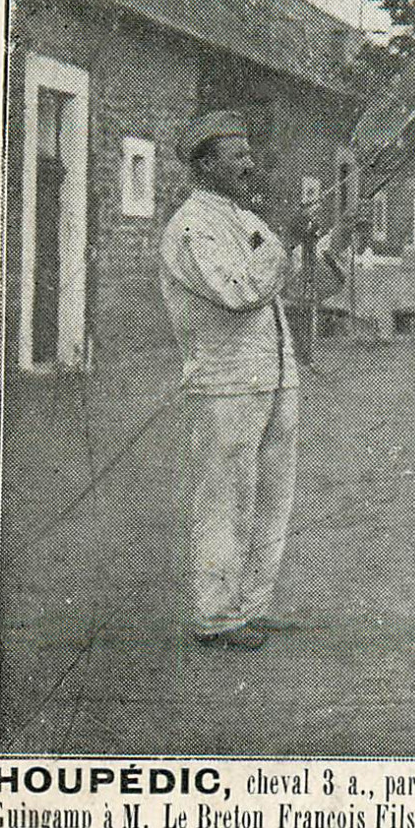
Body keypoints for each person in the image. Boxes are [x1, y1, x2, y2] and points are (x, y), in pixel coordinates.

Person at [160, 110, 311, 649]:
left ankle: (250, 603)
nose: (249, 163)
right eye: (236, 154)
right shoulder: (192, 227)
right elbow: (240, 288)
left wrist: (302, 235)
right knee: (226, 496)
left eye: (249, 151)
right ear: (204, 164)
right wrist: (282, 244)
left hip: (272, 370)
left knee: (272, 492)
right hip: (225, 380)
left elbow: (277, 268)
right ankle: (215, 614)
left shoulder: (240, 218)